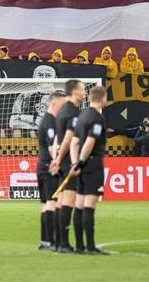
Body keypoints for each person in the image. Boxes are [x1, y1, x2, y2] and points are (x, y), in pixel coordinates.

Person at [70, 85, 110, 255]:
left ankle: (79, 246)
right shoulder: (97, 118)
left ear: (89, 98)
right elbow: (89, 142)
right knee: (89, 205)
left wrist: (74, 164)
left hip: (81, 165)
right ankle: (91, 246)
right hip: (92, 164)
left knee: (78, 204)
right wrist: (81, 161)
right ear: (103, 99)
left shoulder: (82, 116)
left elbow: (74, 143)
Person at [49, 80, 85, 253]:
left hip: (61, 160)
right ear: (74, 92)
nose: (84, 93)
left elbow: (57, 137)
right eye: (82, 90)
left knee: (60, 201)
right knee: (68, 202)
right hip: (67, 161)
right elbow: (68, 139)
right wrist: (63, 159)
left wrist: (56, 158)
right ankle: (64, 244)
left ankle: (57, 242)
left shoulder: (62, 111)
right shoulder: (73, 112)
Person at [36, 92, 67, 250]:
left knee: (49, 203)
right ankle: (49, 241)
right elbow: (51, 147)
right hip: (49, 166)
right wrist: (59, 161)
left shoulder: (50, 121)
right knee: (52, 203)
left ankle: (46, 241)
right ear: (55, 104)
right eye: (63, 104)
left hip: (46, 165)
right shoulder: (49, 122)